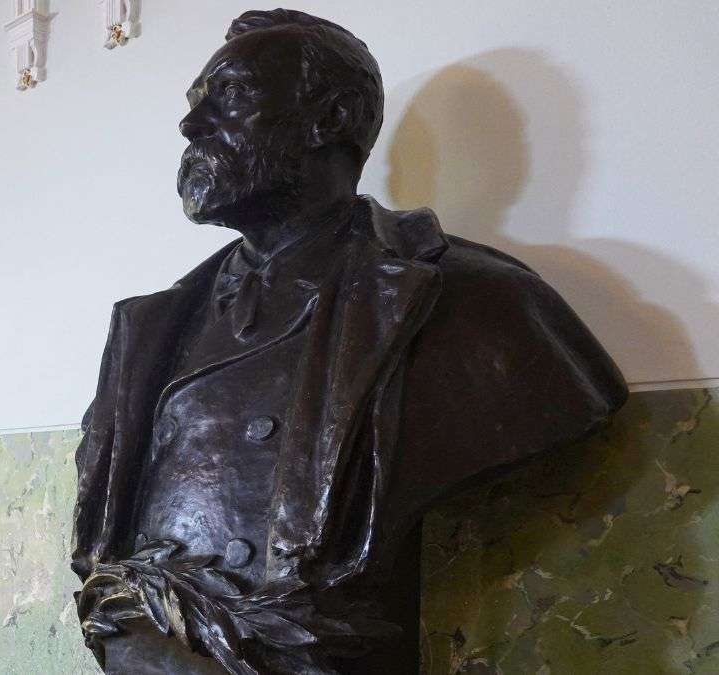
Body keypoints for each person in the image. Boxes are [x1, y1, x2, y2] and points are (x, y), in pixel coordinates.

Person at [71, 9, 627, 674]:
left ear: (329, 119)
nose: (192, 125)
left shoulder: (482, 305)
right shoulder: (151, 327)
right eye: (196, 102)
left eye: (232, 95)